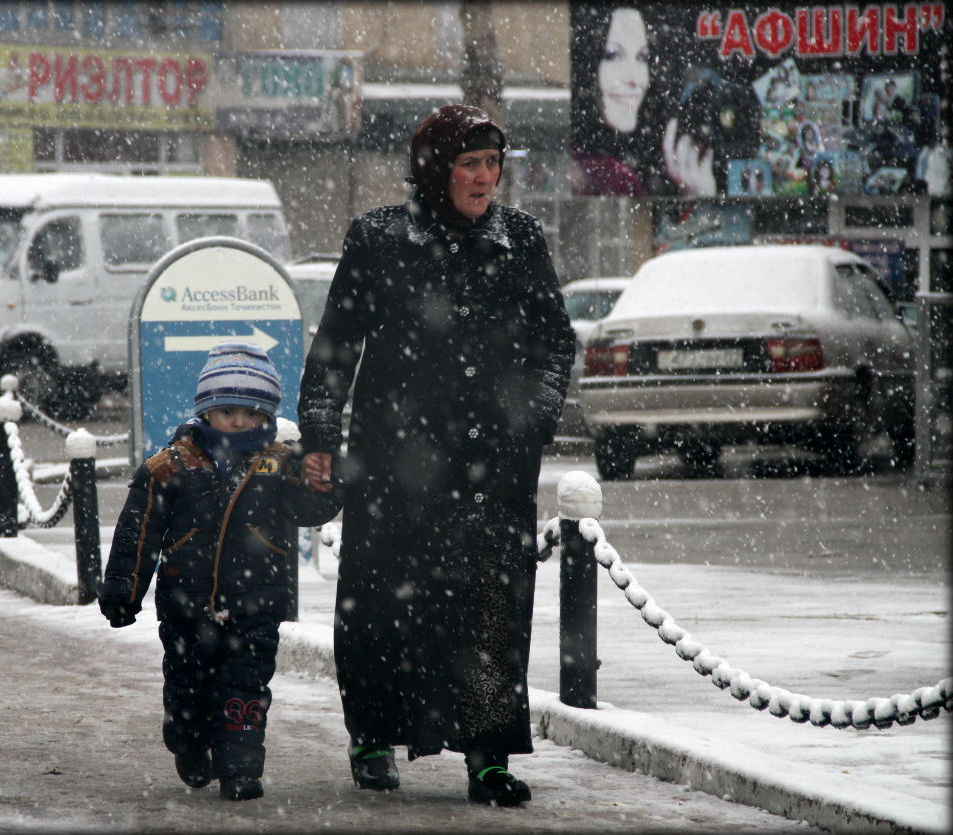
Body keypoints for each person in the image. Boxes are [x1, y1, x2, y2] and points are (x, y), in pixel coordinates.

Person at [297, 104, 575, 807]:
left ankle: (487, 755)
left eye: (493, 164)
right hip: (393, 464)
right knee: (383, 606)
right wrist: (321, 439)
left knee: (488, 607)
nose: (485, 179)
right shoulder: (379, 239)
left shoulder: (521, 240)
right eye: (470, 165)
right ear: (436, 170)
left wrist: (533, 420)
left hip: (493, 468)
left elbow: (554, 343)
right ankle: (371, 735)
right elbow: (335, 349)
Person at [99, 342, 342, 801]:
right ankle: (188, 745)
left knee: (244, 692)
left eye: (252, 412)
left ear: (267, 414)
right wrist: (123, 591)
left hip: (256, 607)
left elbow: (310, 509)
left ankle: (241, 769)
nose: (239, 421)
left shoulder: (280, 464)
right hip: (186, 609)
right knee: (186, 690)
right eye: (227, 410)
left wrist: (323, 482)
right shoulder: (170, 465)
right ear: (206, 410)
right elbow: (139, 530)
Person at [570, 5, 715, 196]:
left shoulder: (650, 161)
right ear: (587, 63)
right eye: (612, 55)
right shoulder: (609, 174)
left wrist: (698, 194)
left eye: (642, 57)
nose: (635, 79)